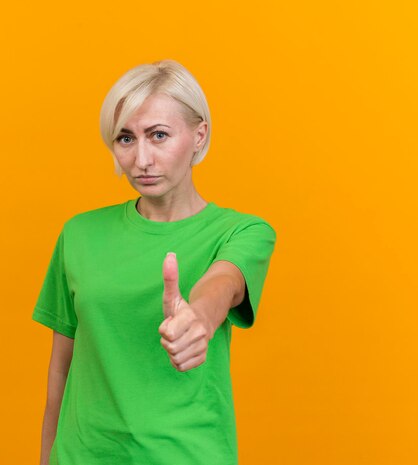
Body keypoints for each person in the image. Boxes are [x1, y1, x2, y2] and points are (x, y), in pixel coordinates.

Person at [32, 59, 277, 465]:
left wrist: (199, 316)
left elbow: (224, 282)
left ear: (199, 136)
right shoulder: (79, 234)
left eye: (158, 135)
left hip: (186, 456)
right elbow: (60, 369)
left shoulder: (242, 232)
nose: (141, 158)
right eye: (125, 138)